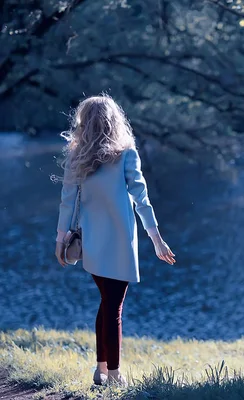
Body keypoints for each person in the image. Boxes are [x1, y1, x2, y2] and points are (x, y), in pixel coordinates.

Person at [54, 94, 175, 387]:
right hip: (121, 241)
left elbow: (67, 202)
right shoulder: (126, 155)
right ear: (114, 121)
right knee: (113, 307)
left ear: (84, 123)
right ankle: (115, 375)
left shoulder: (77, 156)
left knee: (107, 303)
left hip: (93, 242)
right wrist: (156, 238)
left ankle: (101, 369)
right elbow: (141, 200)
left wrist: (60, 239)